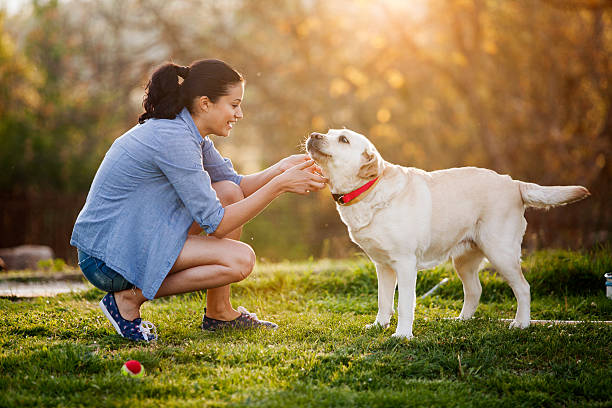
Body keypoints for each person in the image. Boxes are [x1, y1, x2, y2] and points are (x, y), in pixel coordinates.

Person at [70, 59, 327, 342]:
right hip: (107, 259)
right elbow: (216, 223)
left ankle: (220, 313)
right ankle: (127, 300)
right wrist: (280, 186)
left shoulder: (189, 133)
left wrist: (280, 169)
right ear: (205, 103)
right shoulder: (174, 138)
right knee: (240, 261)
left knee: (229, 192)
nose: (239, 114)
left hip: (135, 239)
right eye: (234, 104)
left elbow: (238, 186)